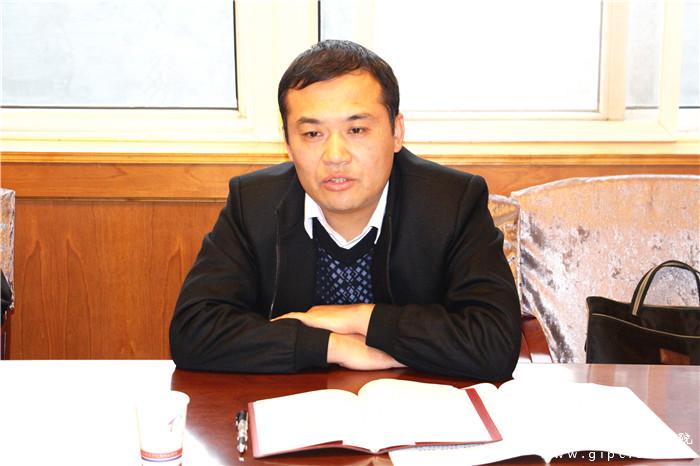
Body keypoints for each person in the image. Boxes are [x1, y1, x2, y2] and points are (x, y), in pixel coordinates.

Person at [170, 40, 521, 380]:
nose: (335, 156)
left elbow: (495, 343)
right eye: (312, 134)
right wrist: (332, 346)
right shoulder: (254, 203)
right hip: (293, 408)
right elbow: (193, 331)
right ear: (288, 143)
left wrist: (359, 318)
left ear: (396, 132)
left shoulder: (452, 201)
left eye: (356, 129)